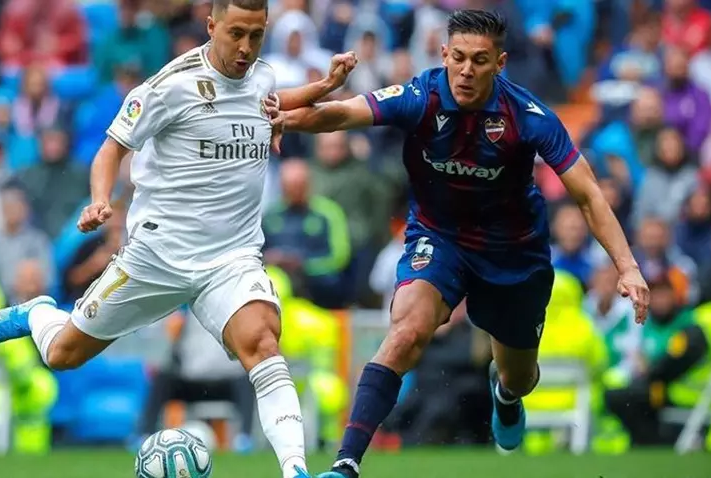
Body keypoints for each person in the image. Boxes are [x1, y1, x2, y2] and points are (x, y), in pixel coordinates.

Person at [0, 1, 356, 477]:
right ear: (211, 25)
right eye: (236, 33)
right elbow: (111, 148)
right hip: (158, 256)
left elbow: (267, 100)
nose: (246, 47)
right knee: (62, 354)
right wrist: (99, 201)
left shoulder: (261, 76)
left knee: (263, 342)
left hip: (231, 257)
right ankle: (37, 314)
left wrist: (324, 87)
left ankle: (295, 470)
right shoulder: (168, 86)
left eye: (256, 36)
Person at [271, 9, 650, 478]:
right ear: (444, 54)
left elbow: (588, 194)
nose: (467, 70)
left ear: (500, 63)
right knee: (406, 332)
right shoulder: (420, 96)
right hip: (440, 238)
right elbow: (342, 113)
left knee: (519, 376)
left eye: (480, 60)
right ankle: (345, 463)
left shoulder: (527, 116)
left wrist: (628, 266)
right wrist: (284, 120)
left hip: (513, 253)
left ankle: (505, 394)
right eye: (459, 58)